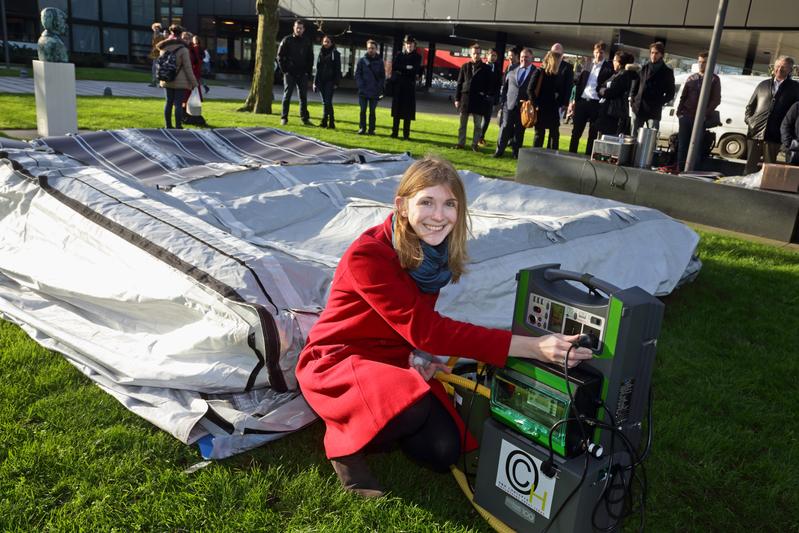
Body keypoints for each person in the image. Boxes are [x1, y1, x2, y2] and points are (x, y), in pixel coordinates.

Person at [295, 156, 594, 498]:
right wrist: (534, 346)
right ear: (402, 206)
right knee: (410, 408)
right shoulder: (369, 256)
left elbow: (410, 330)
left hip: (392, 360)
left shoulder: (431, 256)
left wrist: (415, 359)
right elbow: (427, 331)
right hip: (338, 362)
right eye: (427, 202)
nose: (439, 215)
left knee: (443, 451)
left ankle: (381, 421)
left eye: (449, 204)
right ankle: (345, 448)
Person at [744, 56, 799, 174]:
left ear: (790, 69)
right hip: (755, 133)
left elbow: (795, 115)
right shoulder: (762, 84)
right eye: (777, 66)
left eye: (783, 67)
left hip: (775, 136)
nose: (779, 69)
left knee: (769, 171)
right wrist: (750, 121)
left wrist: (788, 136)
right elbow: (750, 107)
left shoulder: (795, 88)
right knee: (749, 168)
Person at [676, 52, 721, 172]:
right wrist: (679, 112)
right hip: (686, 116)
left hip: (700, 118)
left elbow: (716, 100)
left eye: (704, 62)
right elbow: (683, 96)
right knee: (682, 145)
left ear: (710, 63)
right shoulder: (692, 78)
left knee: (695, 146)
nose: (701, 64)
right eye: (700, 62)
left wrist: (704, 114)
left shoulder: (714, 79)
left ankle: (692, 171)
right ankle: (680, 169)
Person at [569, 41, 614, 155]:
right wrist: (574, 100)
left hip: (596, 103)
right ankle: (571, 154)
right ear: (594, 52)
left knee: (592, 134)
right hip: (582, 101)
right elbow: (578, 83)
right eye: (597, 52)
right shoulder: (588, 65)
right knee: (576, 132)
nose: (599, 55)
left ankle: (588, 157)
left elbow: (609, 83)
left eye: (601, 53)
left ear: (605, 54)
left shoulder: (608, 68)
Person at [494, 48, 534, 159]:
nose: (523, 59)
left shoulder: (536, 72)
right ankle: (499, 151)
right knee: (505, 126)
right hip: (509, 104)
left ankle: (516, 153)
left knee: (519, 130)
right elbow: (505, 88)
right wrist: (503, 102)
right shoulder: (512, 70)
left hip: (524, 107)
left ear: (532, 58)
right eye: (522, 57)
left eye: (526, 57)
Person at [156, 24, 198, 129]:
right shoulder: (183, 49)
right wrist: (194, 83)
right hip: (181, 81)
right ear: (181, 34)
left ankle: (168, 125)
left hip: (167, 78)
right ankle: (178, 126)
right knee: (178, 104)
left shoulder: (163, 47)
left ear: (171, 33)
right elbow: (188, 68)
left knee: (168, 102)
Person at [454, 43, 493, 151]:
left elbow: (489, 84)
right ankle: (461, 143)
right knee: (462, 124)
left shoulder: (486, 68)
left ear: (481, 54)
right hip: (465, 97)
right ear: (470, 54)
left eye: (478, 53)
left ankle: (474, 144)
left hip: (478, 99)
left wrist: (484, 94)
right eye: (474, 53)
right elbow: (459, 83)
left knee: (478, 125)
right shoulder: (465, 66)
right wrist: (457, 99)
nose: (476, 55)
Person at [630, 42, 675, 136]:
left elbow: (671, 93)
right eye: (652, 52)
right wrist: (632, 100)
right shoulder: (643, 68)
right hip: (638, 108)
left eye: (656, 53)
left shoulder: (667, 72)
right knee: (634, 137)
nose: (653, 55)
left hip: (654, 110)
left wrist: (660, 101)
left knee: (651, 138)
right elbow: (634, 86)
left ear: (661, 55)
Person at [277, 19, 314, 126]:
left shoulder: (307, 41)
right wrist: (285, 70)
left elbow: (310, 58)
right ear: (294, 28)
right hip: (290, 73)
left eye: (300, 28)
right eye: (297, 27)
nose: (298, 30)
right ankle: (284, 118)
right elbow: (279, 56)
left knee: (303, 97)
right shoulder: (287, 40)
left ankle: (305, 119)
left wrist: (308, 73)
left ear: (303, 29)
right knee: (287, 95)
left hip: (302, 74)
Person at [596, 51, 639, 137]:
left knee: (609, 138)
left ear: (620, 63)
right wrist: (602, 90)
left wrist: (604, 91)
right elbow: (600, 87)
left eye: (615, 60)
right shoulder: (615, 75)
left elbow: (613, 92)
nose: (613, 63)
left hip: (615, 114)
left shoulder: (624, 75)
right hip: (608, 111)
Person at [528, 51, 563, 150]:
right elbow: (530, 90)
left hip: (552, 108)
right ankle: (536, 155)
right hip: (541, 108)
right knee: (539, 134)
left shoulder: (556, 75)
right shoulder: (539, 72)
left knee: (554, 134)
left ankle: (553, 156)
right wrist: (536, 104)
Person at [390, 35, 423, 139]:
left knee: (407, 112)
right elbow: (395, 67)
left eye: (411, 43)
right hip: (399, 86)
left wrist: (403, 69)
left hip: (409, 86)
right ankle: (394, 133)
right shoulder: (399, 54)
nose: (409, 45)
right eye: (407, 43)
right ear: (405, 45)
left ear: (414, 45)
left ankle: (406, 134)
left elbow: (415, 70)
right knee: (397, 111)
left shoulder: (417, 57)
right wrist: (407, 67)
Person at [355, 39, 385, 135]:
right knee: (362, 110)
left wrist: (379, 87)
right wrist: (361, 85)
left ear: (376, 49)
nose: (370, 50)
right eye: (369, 48)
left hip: (374, 91)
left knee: (372, 112)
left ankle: (371, 130)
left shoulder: (380, 62)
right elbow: (357, 74)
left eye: (372, 48)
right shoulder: (362, 61)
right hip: (363, 91)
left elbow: (382, 76)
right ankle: (362, 128)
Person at [314, 34, 341, 129]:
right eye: (324, 41)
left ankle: (329, 121)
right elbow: (318, 68)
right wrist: (315, 82)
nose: (325, 43)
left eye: (328, 42)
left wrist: (336, 82)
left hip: (330, 81)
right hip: (321, 80)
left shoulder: (336, 54)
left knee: (328, 101)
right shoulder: (321, 52)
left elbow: (338, 69)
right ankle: (326, 122)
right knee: (325, 102)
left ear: (331, 43)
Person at [550, 43, 574, 149]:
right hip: (545, 101)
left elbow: (569, 86)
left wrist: (565, 103)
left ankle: (553, 149)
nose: (556, 54)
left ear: (562, 54)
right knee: (540, 129)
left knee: (554, 129)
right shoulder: (546, 64)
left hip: (558, 103)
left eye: (558, 52)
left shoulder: (568, 67)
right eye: (554, 52)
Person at [478, 48, 503, 146]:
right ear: (487, 56)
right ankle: (477, 138)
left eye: (495, 56)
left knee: (487, 119)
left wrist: (496, 99)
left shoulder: (497, 69)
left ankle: (481, 137)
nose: (493, 57)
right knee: (478, 119)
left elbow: (498, 85)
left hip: (491, 98)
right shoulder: (482, 67)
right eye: (491, 55)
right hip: (482, 97)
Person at [781, 100, 799, 165]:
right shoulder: (797, 106)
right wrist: (789, 144)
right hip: (795, 152)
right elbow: (785, 125)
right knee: (793, 174)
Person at [148, 22, 165, 87]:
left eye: (157, 28)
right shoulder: (153, 35)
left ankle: (161, 83)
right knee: (154, 68)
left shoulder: (161, 35)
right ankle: (154, 82)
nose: (156, 29)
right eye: (154, 28)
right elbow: (153, 44)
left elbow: (163, 44)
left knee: (159, 68)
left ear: (159, 29)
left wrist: (158, 48)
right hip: (154, 53)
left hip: (160, 53)